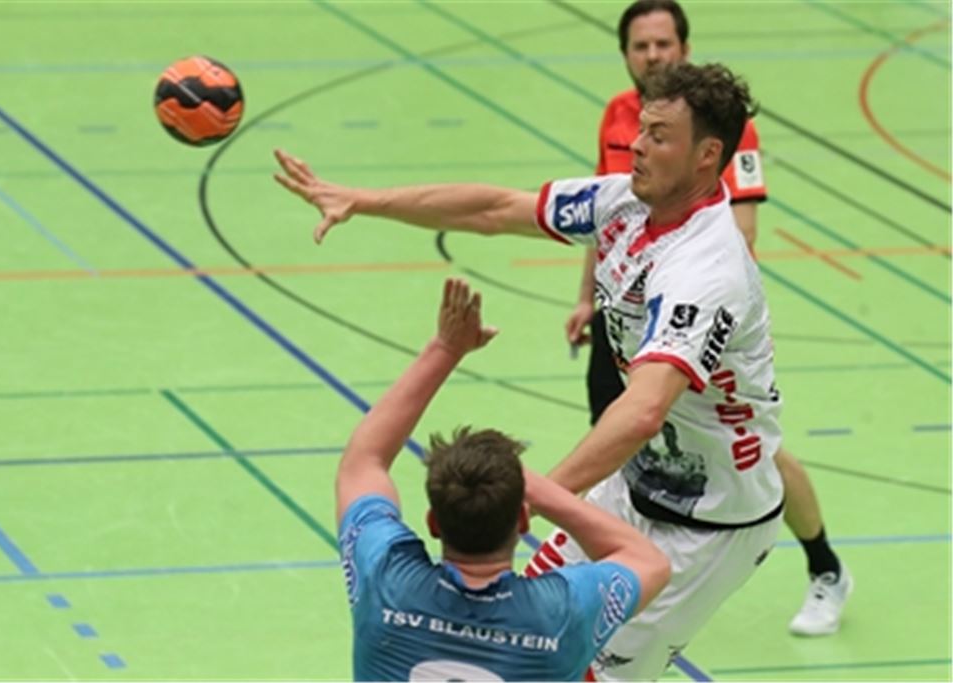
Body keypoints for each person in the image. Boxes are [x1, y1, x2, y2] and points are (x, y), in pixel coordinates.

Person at [275, 61, 789, 679]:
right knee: (520, 640)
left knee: (579, 669)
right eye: (641, 128)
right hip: (632, 489)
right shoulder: (624, 200)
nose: (637, 145)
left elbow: (644, 409)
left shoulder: (706, 270)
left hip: (708, 525)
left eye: (658, 136)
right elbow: (495, 209)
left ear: (707, 155)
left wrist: (533, 495)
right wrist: (364, 201)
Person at [562, 0, 850, 639]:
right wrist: (590, 296)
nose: (653, 56)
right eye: (640, 46)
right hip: (626, 314)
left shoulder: (727, 132)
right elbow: (609, 217)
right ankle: (628, 583)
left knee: (758, 456)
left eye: (664, 44)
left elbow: (740, 232)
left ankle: (824, 565)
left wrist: (688, 308)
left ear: (684, 49)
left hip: (693, 321)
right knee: (622, 450)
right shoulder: (621, 117)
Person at [334, 276, 670, 681]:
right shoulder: (560, 612)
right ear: (523, 521)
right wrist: (538, 487)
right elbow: (646, 560)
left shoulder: (385, 579)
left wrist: (445, 348)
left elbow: (363, 462)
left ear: (434, 523)